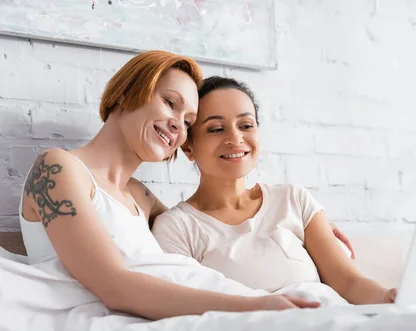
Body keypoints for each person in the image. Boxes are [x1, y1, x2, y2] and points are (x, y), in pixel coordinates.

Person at [19, 50, 334, 320]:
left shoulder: (139, 197)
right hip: (121, 318)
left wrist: (311, 230)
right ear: (128, 92)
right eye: (170, 103)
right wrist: (250, 307)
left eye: (187, 122)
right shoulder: (58, 167)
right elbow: (113, 285)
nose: (178, 127)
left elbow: (208, 227)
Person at [151, 76, 397, 305]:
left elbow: (349, 282)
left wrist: (389, 297)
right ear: (188, 147)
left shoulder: (293, 200)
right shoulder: (176, 228)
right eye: (216, 129)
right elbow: (186, 309)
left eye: (246, 125)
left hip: (330, 322)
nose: (235, 138)